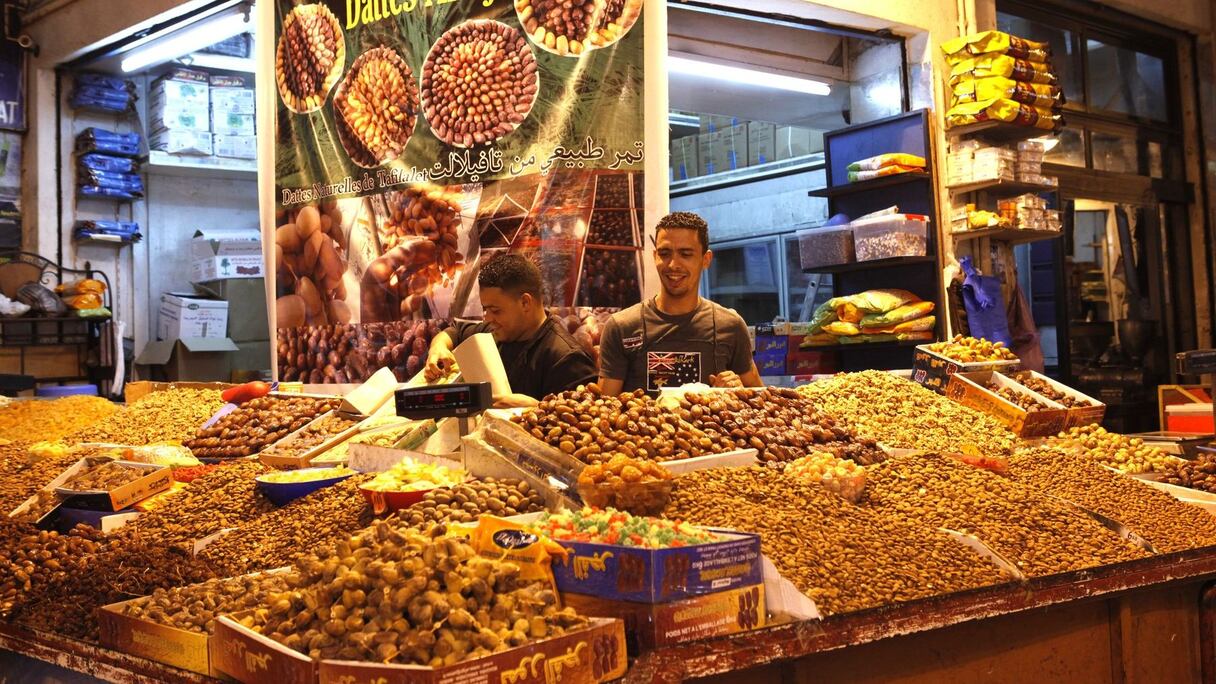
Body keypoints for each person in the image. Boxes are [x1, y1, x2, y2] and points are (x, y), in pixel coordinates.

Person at [598, 211, 761, 395]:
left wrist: (737, 391)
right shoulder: (622, 327)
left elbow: (761, 401)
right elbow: (604, 409)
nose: (673, 264)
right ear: (654, 256)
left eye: (685, 254)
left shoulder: (731, 326)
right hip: (640, 425)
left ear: (706, 259)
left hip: (709, 424)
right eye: (665, 253)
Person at [423, 253, 597, 407]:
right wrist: (438, 348)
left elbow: (587, 430)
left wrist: (536, 409)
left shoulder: (567, 360)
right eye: (485, 310)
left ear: (525, 303)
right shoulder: (494, 332)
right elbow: (455, 331)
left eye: (495, 310)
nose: (488, 318)